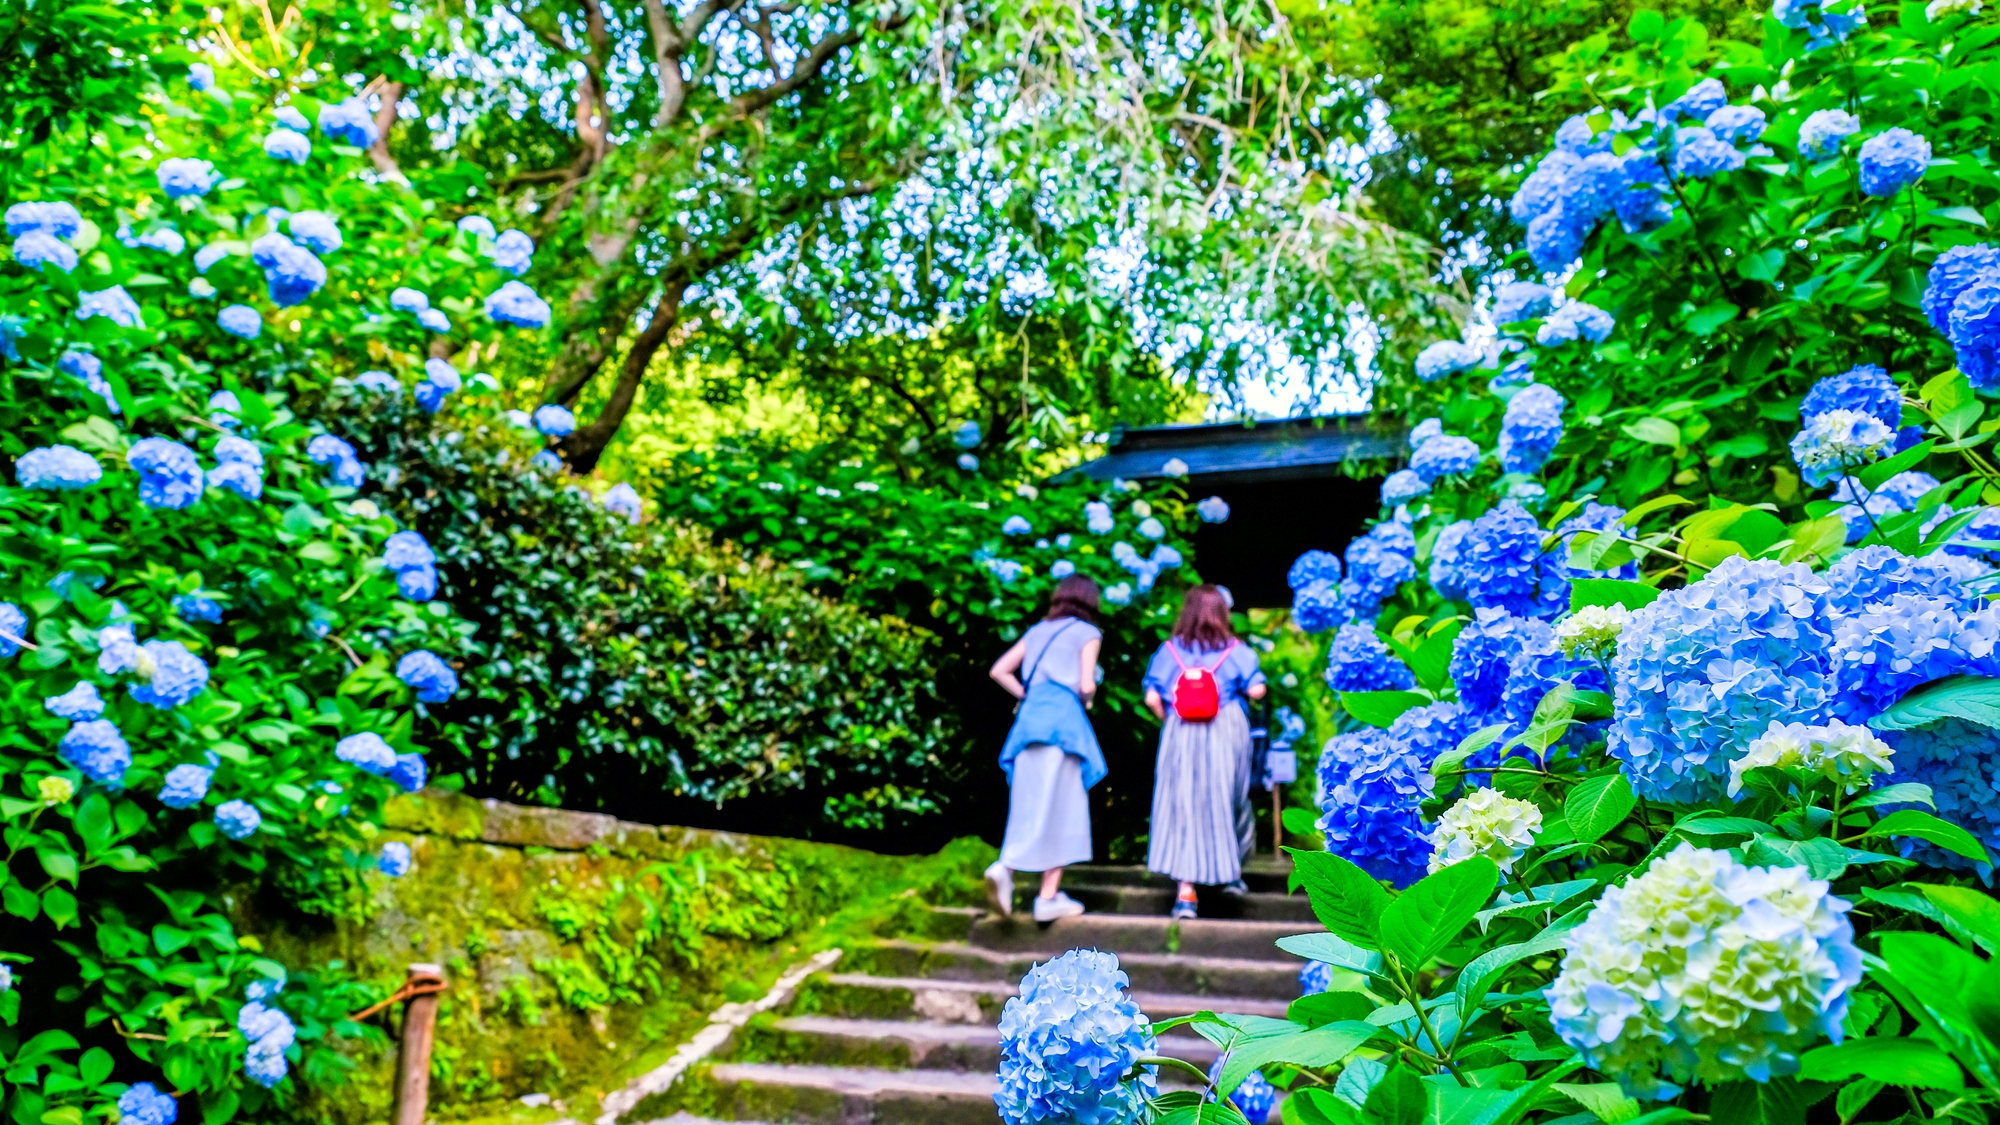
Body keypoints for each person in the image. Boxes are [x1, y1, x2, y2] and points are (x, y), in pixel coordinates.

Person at [985, 574, 1107, 922]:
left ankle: (1005, 871)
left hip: (1027, 727)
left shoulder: (1038, 630)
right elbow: (1085, 684)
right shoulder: (1088, 633)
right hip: (1063, 727)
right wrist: (1089, 694)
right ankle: (1047, 896)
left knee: (1028, 804)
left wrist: (1027, 694)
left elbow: (999, 671)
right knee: (1063, 808)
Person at [1142, 584, 1266, 919]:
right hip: (1226, 728)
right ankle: (1233, 874)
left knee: (1182, 804)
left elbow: (1153, 697)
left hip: (1180, 730)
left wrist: (1171, 716)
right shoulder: (1236, 649)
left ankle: (1186, 894)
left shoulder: (1169, 650)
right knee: (1231, 797)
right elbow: (1257, 690)